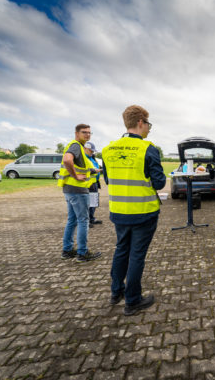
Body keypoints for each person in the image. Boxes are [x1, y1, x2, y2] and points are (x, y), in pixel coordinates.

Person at [102, 105, 166, 316]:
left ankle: (115, 292)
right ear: (140, 122)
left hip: (119, 211)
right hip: (143, 212)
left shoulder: (108, 149)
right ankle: (133, 300)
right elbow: (159, 183)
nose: (149, 128)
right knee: (137, 255)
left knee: (121, 250)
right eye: (148, 124)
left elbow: (108, 180)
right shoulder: (148, 149)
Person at [58, 124, 102, 263]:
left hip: (69, 189)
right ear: (76, 133)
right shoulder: (76, 145)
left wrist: (97, 170)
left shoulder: (78, 147)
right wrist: (76, 176)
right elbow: (67, 160)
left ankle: (67, 250)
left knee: (72, 220)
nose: (87, 135)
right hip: (78, 190)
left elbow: (84, 167)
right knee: (83, 221)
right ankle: (82, 253)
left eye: (89, 133)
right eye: (84, 132)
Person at [84, 142, 103, 228]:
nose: (92, 152)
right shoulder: (83, 158)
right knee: (87, 203)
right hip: (88, 184)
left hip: (94, 183)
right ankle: (86, 221)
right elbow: (85, 170)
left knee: (94, 203)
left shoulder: (92, 158)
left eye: (93, 151)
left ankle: (91, 218)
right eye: (90, 150)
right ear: (85, 149)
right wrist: (95, 171)